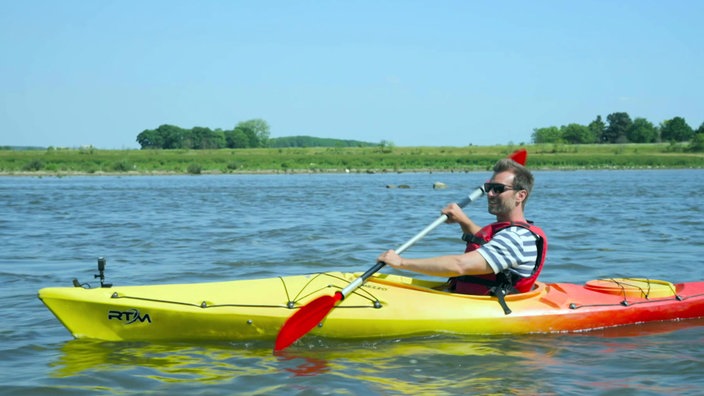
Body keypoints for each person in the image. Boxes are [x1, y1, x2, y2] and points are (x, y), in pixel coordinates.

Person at [377, 158, 547, 309]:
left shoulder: (515, 238)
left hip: (487, 307)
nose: (489, 194)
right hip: (473, 300)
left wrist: (401, 263)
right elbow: (485, 243)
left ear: (520, 195)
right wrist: (463, 220)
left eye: (498, 189)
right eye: (488, 187)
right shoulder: (508, 232)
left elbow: (460, 265)